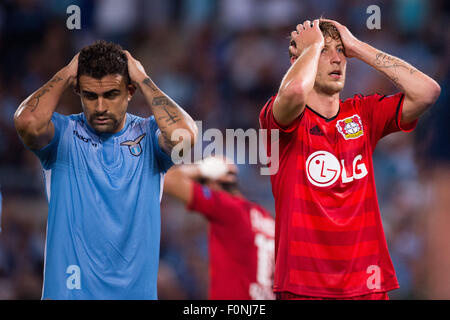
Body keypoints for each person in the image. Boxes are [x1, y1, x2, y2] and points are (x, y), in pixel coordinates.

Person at [259, 19, 440, 300]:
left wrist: (357, 46)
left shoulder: (363, 114)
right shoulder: (278, 119)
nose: (336, 59)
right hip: (304, 285)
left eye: (340, 51)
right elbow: (294, 91)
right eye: (323, 51)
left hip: (366, 284)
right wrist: (312, 45)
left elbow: (427, 92)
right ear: (298, 60)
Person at [13, 40, 197, 299]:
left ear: (130, 91)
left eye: (111, 94)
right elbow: (27, 122)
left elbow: (185, 137)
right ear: (78, 90)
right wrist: (66, 73)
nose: (100, 107)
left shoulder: (149, 134)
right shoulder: (62, 134)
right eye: (90, 95)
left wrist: (144, 78)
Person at [163, 156, 275, 300]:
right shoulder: (265, 217)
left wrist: (202, 168)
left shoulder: (228, 208)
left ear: (212, 185)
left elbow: (166, 180)